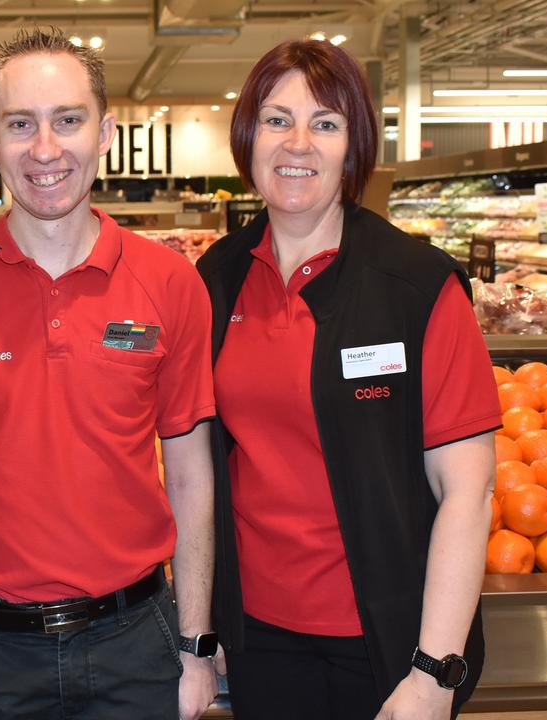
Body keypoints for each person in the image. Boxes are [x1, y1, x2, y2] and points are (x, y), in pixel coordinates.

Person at [0, 27, 219, 720]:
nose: (45, 150)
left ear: (104, 132)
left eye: (67, 120)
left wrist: (194, 647)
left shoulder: (171, 283)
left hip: (139, 643)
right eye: (21, 124)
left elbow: (191, 474)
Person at [196, 40, 498, 720]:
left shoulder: (416, 285)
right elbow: (203, 468)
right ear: (248, 138)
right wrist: (207, 621)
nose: (297, 143)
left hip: (390, 643)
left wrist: (433, 672)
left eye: (325, 124)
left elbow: (467, 491)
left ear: (353, 145)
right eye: (277, 120)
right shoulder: (214, 281)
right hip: (260, 637)